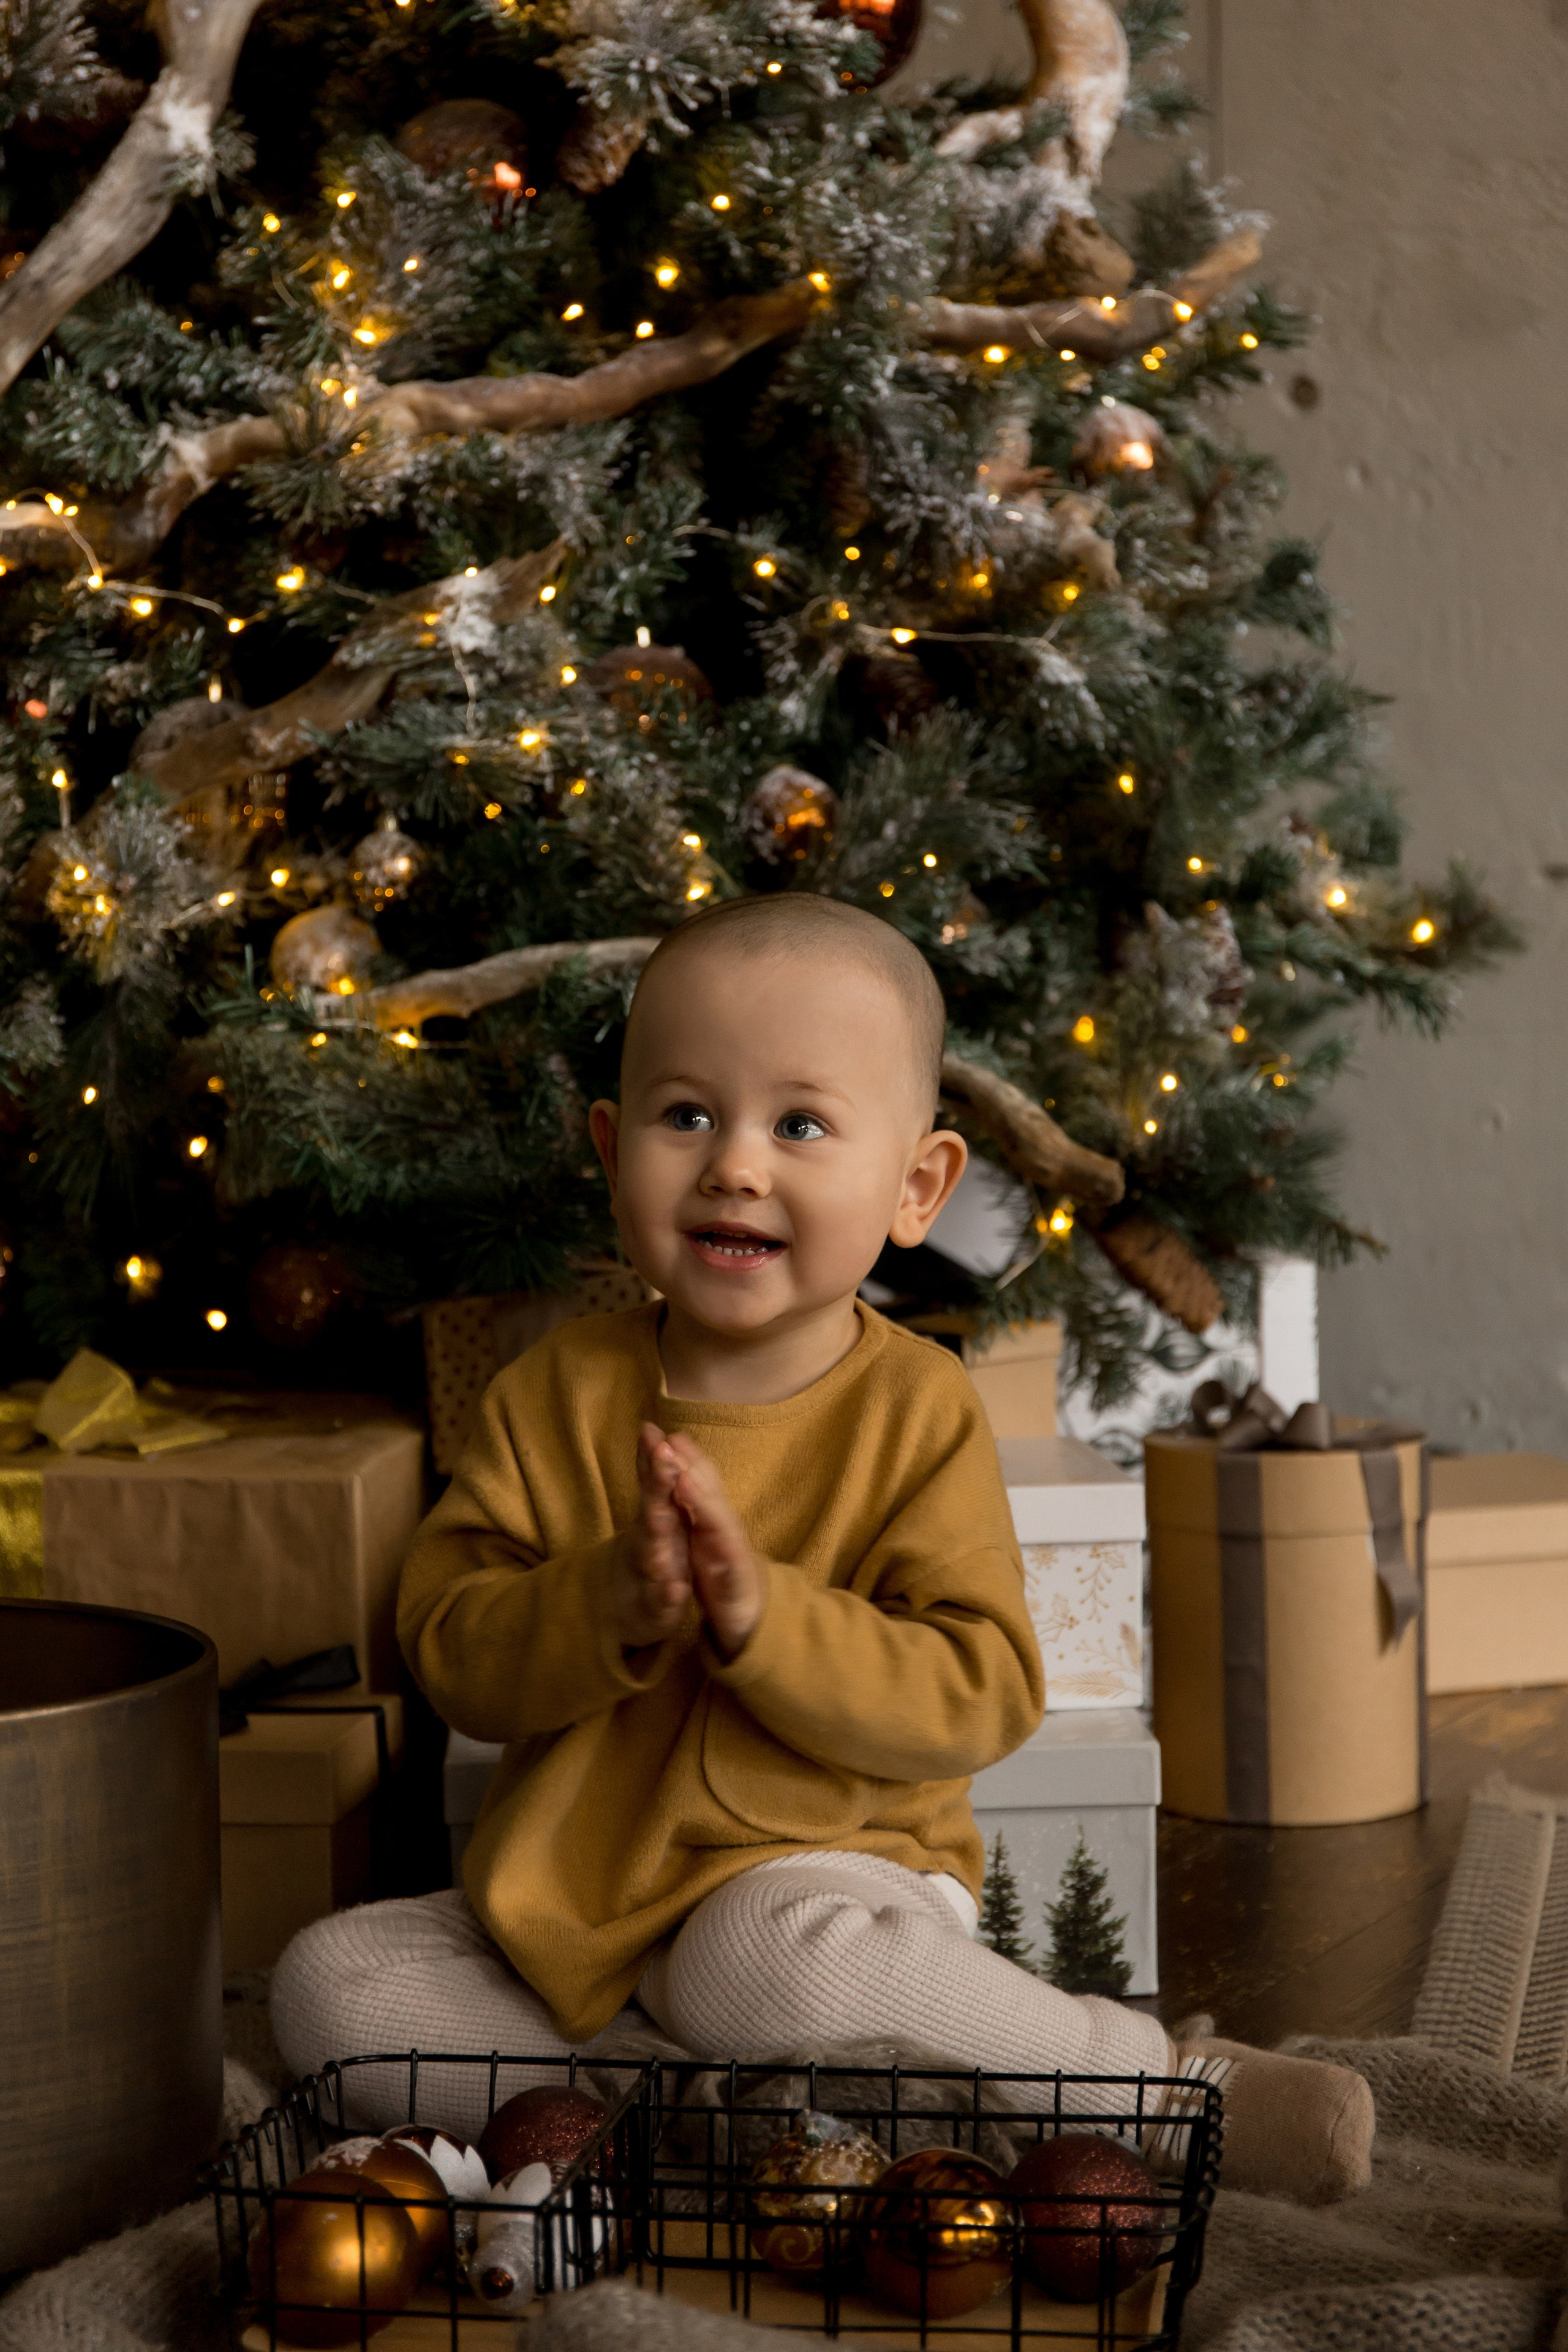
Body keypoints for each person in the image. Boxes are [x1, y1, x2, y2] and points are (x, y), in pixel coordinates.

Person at [273, 894, 1373, 2204]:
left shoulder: (911, 1409)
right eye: (688, 1116)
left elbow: (976, 1690)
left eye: (798, 1125)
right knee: (326, 1987)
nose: (736, 1164)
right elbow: (453, 1649)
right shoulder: (549, 1392)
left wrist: (764, 1621)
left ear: (915, 1187)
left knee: (761, 1966)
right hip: (575, 1910)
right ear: (613, 1150)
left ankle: (1154, 2082)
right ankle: (697, 2118)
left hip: (824, 1892)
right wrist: (602, 1606)